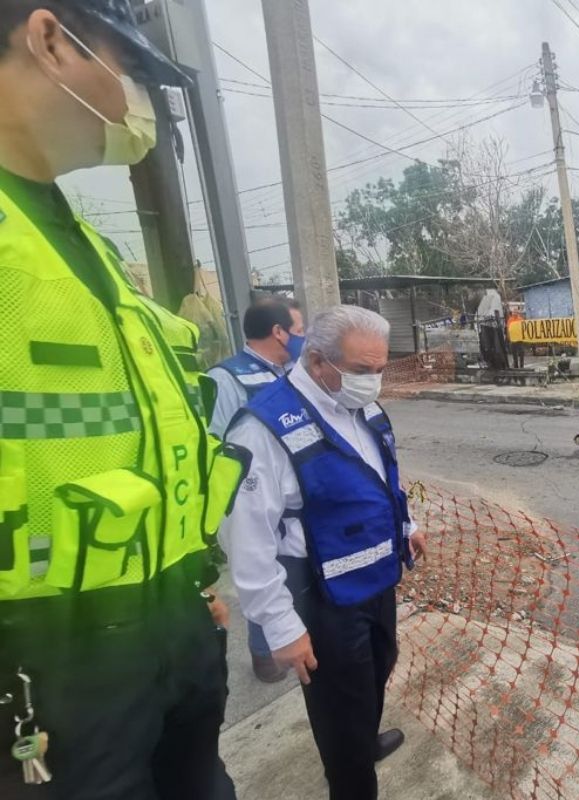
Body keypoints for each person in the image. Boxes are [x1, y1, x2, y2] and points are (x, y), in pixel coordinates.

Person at [0, 2, 242, 797]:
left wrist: (188, 583)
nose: (139, 100)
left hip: (165, 624)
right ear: (48, 41)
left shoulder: (86, 248)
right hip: (49, 654)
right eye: (130, 69)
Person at [220, 305, 426, 800]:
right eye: (361, 371)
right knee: (338, 705)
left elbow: (378, 477)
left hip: (375, 581)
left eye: (379, 371)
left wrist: (407, 524)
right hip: (319, 598)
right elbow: (246, 538)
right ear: (317, 361)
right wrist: (280, 627)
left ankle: (361, 740)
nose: (373, 383)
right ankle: (351, 777)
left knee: (377, 668)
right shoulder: (264, 427)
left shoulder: (363, 407)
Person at [209, 299, 299, 683]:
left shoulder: (290, 371)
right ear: (279, 331)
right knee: (260, 568)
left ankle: (293, 637)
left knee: (288, 573)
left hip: (292, 495)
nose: (301, 337)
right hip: (250, 494)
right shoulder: (227, 378)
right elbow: (214, 442)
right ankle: (264, 654)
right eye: (297, 329)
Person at [208, 299, 295, 438]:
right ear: (278, 332)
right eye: (299, 331)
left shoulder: (295, 369)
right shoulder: (224, 379)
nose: (304, 338)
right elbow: (216, 441)